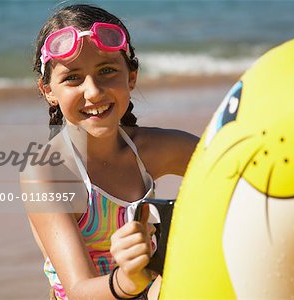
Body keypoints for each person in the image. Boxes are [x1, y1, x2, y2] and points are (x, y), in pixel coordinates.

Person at [21, 4, 199, 299]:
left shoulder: (151, 150)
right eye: (72, 78)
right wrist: (129, 280)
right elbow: (78, 290)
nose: (93, 91)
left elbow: (231, 165)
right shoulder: (49, 173)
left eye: (106, 70)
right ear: (48, 90)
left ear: (131, 77)